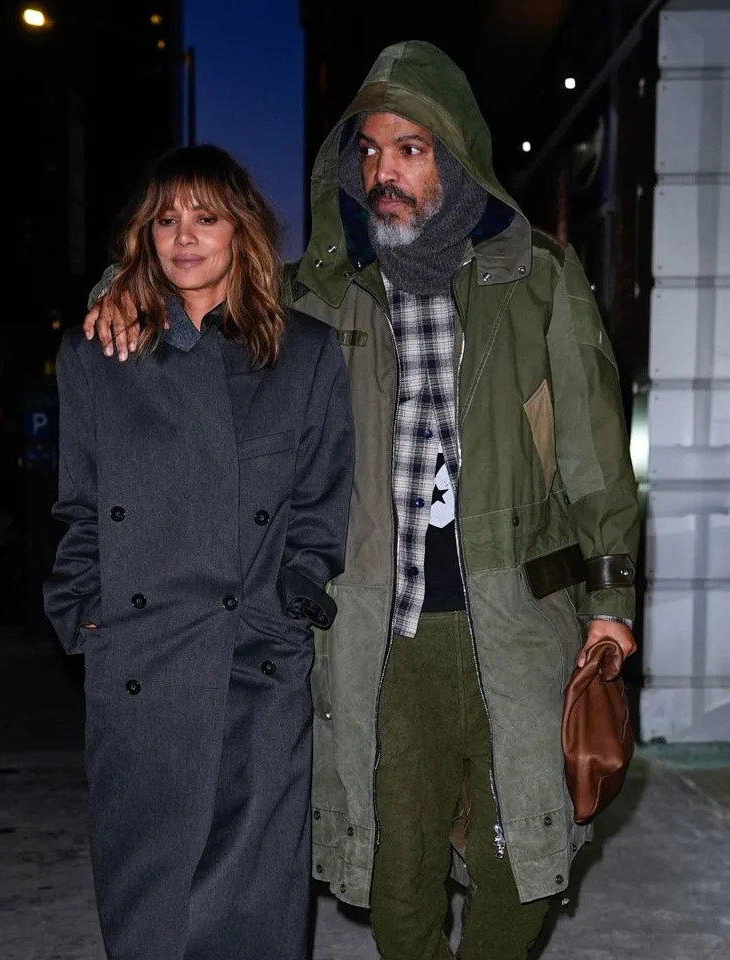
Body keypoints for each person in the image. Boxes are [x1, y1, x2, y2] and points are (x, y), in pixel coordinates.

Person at [84, 41, 640, 960]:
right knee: (395, 863)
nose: (383, 171)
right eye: (370, 152)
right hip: (372, 627)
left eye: (410, 150)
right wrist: (119, 293)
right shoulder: (316, 297)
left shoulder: (537, 279)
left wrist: (612, 604)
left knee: (526, 848)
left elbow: (595, 458)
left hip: (519, 618)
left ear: (455, 156)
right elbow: (200, 284)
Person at [45, 144, 353, 960]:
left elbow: (320, 513)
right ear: (142, 238)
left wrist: (289, 607)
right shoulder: (98, 355)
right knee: (151, 911)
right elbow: (76, 506)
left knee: (252, 910)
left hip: (255, 662)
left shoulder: (307, 356)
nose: (184, 236)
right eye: (164, 220)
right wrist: (84, 617)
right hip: (140, 667)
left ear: (239, 232)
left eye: (204, 217)